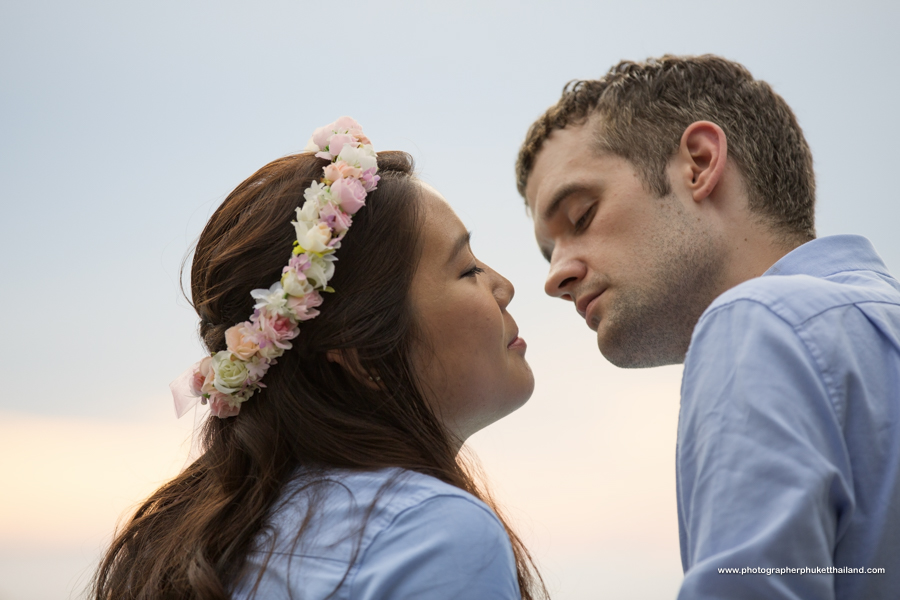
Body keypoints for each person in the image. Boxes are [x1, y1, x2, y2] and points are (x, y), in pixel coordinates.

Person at [91, 117, 547, 600]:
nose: (505, 286)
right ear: (362, 354)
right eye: (468, 268)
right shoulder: (431, 535)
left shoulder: (186, 542)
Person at [515, 55, 900, 599]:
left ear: (698, 163)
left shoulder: (757, 322)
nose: (556, 276)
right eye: (548, 253)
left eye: (580, 216)